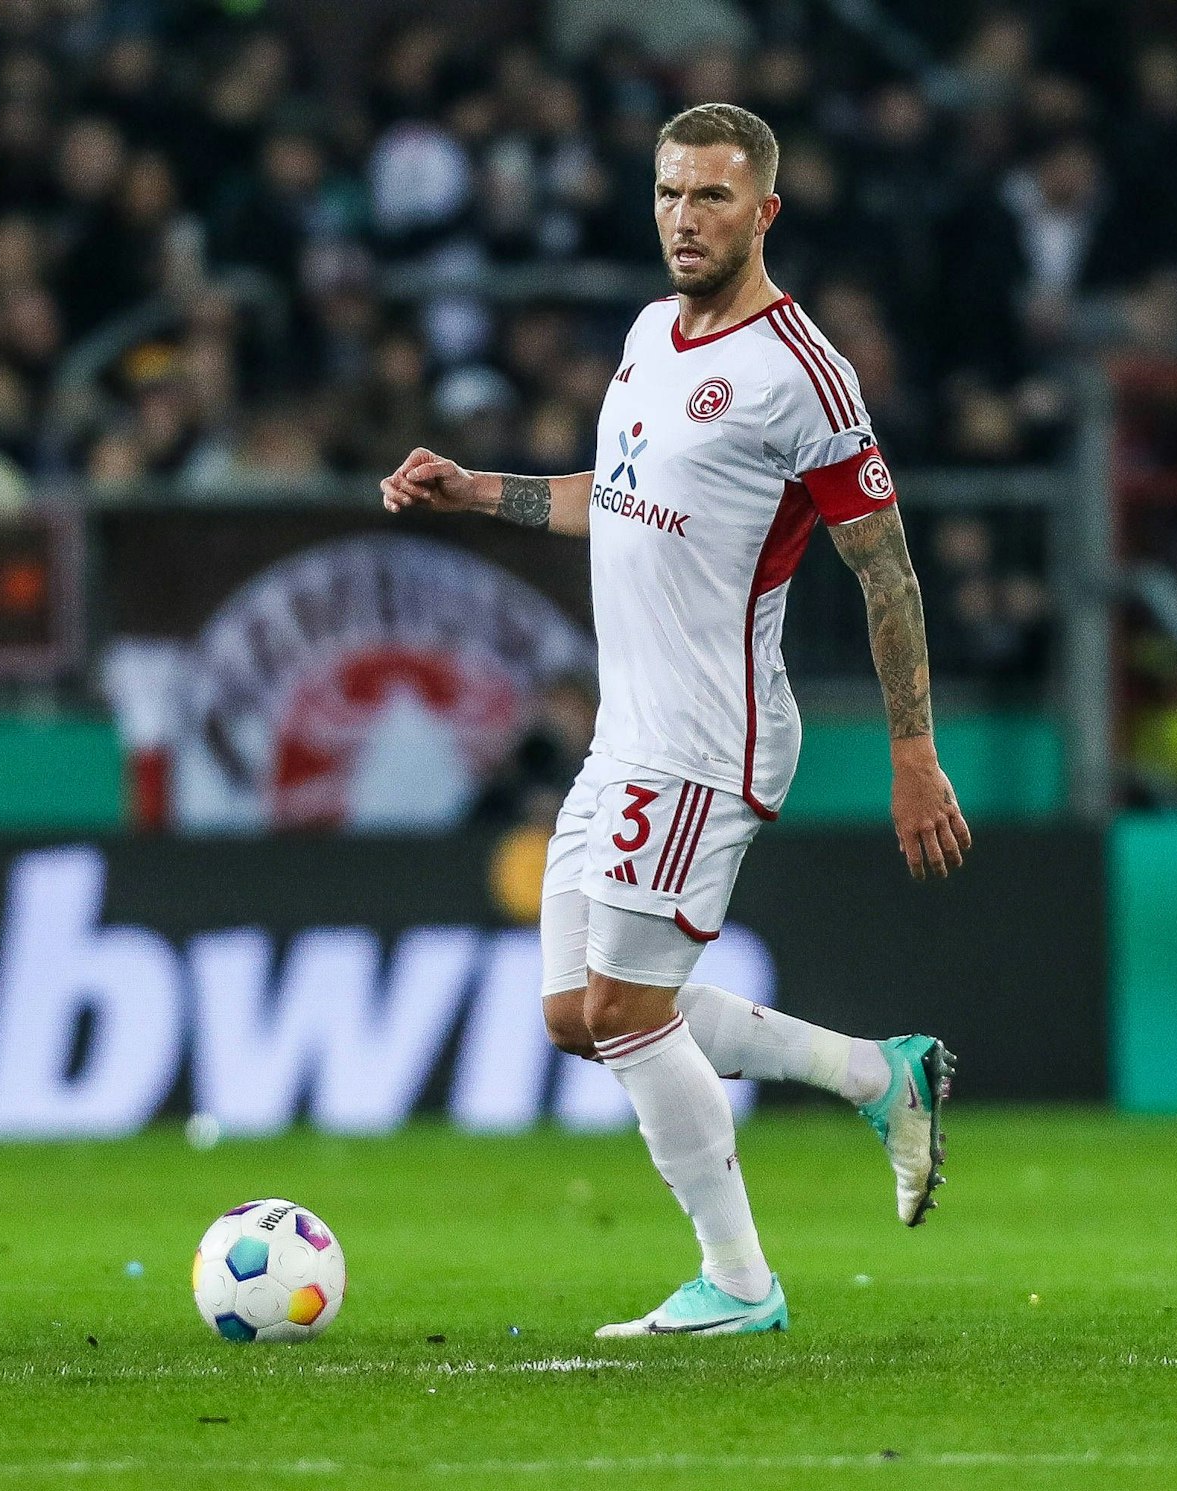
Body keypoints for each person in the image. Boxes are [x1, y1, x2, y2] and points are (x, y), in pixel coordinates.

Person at [381, 104, 969, 1339]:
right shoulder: (649, 334)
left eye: (711, 197)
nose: (683, 220)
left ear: (763, 212)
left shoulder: (802, 373)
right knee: (574, 1017)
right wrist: (477, 491)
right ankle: (876, 1074)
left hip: (711, 733)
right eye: (666, 194)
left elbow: (886, 570)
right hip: (626, 734)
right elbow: (616, 496)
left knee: (624, 1013)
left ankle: (739, 1284)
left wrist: (912, 753)